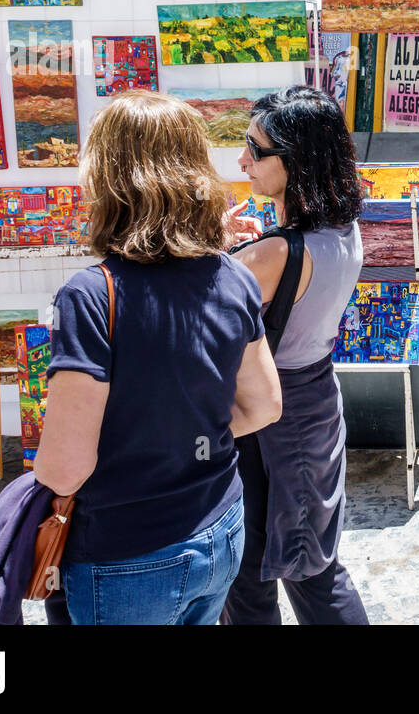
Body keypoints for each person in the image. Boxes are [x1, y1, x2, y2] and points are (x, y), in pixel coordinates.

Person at [34, 92, 282, 625]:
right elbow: (262, 406)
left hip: (128, 551)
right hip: (219, 529)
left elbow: (63, 466)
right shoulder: (232, 276)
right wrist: (183, 442)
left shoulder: (91, 296)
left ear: (107, 179)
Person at [220, 86, 370, 626]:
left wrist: (221, 244)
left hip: (261, 413)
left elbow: (197, 301)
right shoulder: (343, 229)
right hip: (311, 406)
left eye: (256, 150)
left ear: (296, 159)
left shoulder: (274, 254)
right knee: (307, 560)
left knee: (267, 570)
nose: (244, 161)